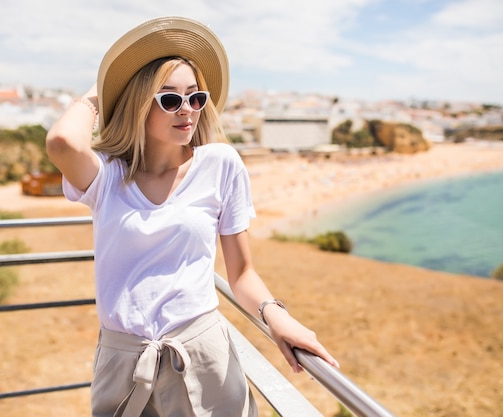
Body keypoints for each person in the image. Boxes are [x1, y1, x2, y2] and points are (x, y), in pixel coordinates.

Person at [46, 16, 339, 417]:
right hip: (123, 362)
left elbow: (242, 273)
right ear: (138, 103)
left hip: (204, 355)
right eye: (169, 99)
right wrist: (103, 90)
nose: (187, 110)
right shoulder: (108, 174)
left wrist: (277, 318)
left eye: (195, 97)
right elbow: (62, 142)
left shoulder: (221, 164)